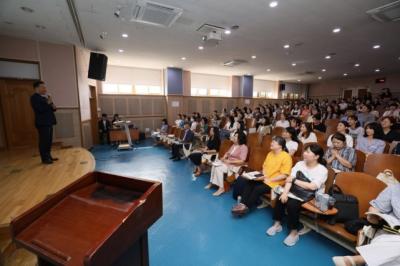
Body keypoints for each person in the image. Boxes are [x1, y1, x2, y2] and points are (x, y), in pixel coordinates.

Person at [266, 144, 328, 247]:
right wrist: (285, 193)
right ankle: (277, 224)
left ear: (316, 156)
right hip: (294, 191)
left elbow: (312, 187)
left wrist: (295, 180)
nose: (304, 153)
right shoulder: (300, 164)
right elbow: (289, 180)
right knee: (281, 198)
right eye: (305, 151)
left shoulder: (322, 170)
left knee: (292, 204)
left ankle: (293, 232)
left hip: (309, 195)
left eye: (308, 152)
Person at [332, 184, 400, 266]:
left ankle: (359, 260)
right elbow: (375, 208)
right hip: (389, 231)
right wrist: (373, 215)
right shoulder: (394, 189)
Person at [232, 136, 292, 215]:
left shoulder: (286, 157)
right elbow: (264, 166)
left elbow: (284, 175)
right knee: (250, 183)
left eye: (273, 142)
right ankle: (242, 204)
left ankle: (246, 207)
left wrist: (270, 180)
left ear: (280, 146)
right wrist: (263, 175)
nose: (271, 143)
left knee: (258, 188)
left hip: (275, 182)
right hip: (265, 178)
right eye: (272, 141)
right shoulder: (270, 153)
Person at [205, 131, 248, 196]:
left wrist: (230, 161)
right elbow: (227, 153)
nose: (234, 137)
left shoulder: (244, 147)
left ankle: (221, 188)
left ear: (240, 138)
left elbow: (242, 160)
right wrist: (223, 158)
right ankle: (212, 183)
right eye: (234, 135)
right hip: (227, 163)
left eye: (236, 136)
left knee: (218, 168)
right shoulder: (234, 145)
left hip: (234, 166)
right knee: (214, 165)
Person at [30, 81, 57, 164]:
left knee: (49, 141)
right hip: (42, 123)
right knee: (44, 141)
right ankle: (44, 159)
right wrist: (48, 103)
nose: (45, 89)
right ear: (37, 88)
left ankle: (48, 156)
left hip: (49, 122)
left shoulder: (44, 98)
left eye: (45, 87)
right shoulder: (34, 98)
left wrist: (51, 102)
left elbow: (54, 109)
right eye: (43, 87)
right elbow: (40, 109)